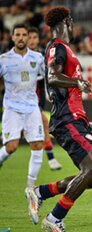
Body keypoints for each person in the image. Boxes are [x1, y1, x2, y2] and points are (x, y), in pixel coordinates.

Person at [25, 6, 92, 232]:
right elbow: (53, 76)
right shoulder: (58, 48)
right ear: (68, 22)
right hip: (67, 118)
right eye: (72, 22)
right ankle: (54, 219)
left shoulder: (64, 49)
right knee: (90, 171)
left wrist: (86, 123)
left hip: (75, 117)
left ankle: (40, 192)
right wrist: (77, 82)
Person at [0, 24, 44, 189]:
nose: (21, 38)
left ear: (28, 37)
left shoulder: (38, 58)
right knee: (11, 147)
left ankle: (30, 186)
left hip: (32, 107)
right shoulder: (4, 59)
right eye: (17, 35)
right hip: (12, 108)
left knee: (37, 145)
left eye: (24, 35)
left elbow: (48, 76)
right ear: (12, 37)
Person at [28, 27, 62, 171]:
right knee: (43, 124)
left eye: (34, 37)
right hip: (22, 100)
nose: (31, 40)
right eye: (29, 37)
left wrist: (50, 91)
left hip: (37, 99)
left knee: (42, 126)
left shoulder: (43, 55)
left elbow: (48, 76)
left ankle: (51, 159)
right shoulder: (18, 57)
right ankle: (51, 159)